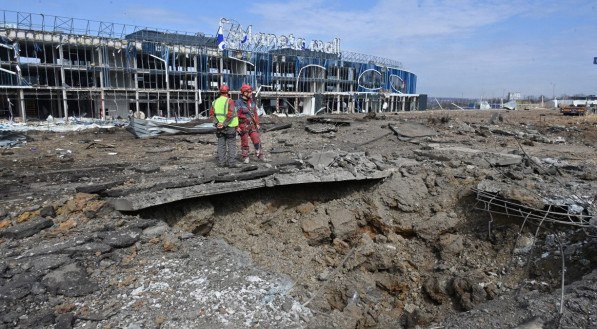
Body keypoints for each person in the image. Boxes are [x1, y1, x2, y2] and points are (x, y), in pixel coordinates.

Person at [209, 84, 238, 167]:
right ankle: (231, 163)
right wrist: (224, 124)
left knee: (221, 145)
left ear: (220, 92)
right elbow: (230, 114)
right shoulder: (230, 101)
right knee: (231, 145)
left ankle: (221, 163)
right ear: (227, 92)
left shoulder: (214, 102)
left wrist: (217, 123)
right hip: (229, 127)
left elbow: (211, 115)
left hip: (219, 128)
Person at [235, 83, 264, 163]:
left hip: (252, 125)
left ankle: (260, 155)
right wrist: (237, 127)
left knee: (256, 140)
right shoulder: (238, 103)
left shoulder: (252, 102)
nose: (251, 93)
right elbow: (236, 116)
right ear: (244, 93)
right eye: (249, 92)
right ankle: (245, 157)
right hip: (243, 125)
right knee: (245, 142)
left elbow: (255, 113)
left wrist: (257, 123)